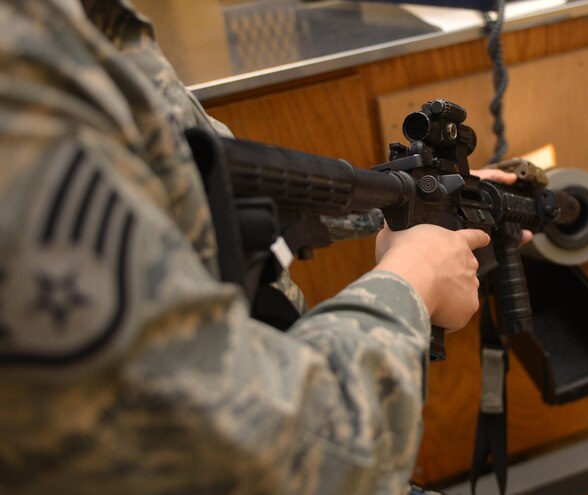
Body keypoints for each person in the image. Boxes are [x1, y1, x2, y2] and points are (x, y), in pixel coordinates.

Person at [0, 1, 527, 494]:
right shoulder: (21, 62)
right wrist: (415, 279)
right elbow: (253, 448)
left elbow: (201, 190)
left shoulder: (78, 22)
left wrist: (416, 202)